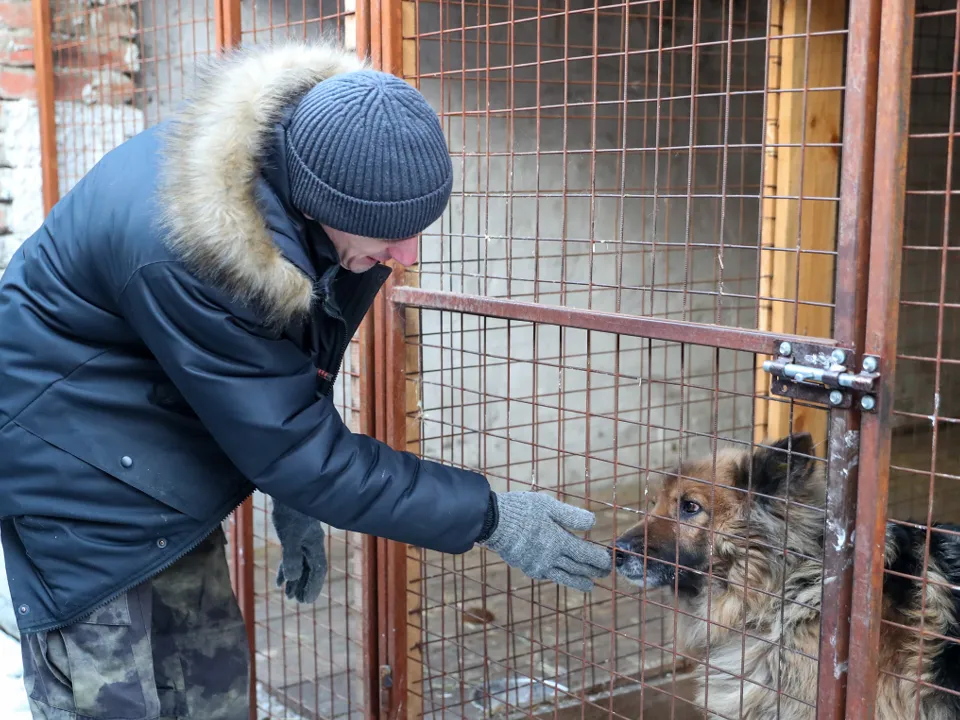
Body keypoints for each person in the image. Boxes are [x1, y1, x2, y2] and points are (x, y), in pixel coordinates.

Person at [0, 40, 612, 719]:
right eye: (389, 236)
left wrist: (294, 496)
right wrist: (489, 516)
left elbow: (291, 378)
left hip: (157, 451)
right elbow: (293, 446)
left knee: (213, 690)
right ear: (321, 199)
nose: (404, 257)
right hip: (68, 468)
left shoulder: (342, 195)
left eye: (414, 231)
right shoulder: (196, 246)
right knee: (111, 700)